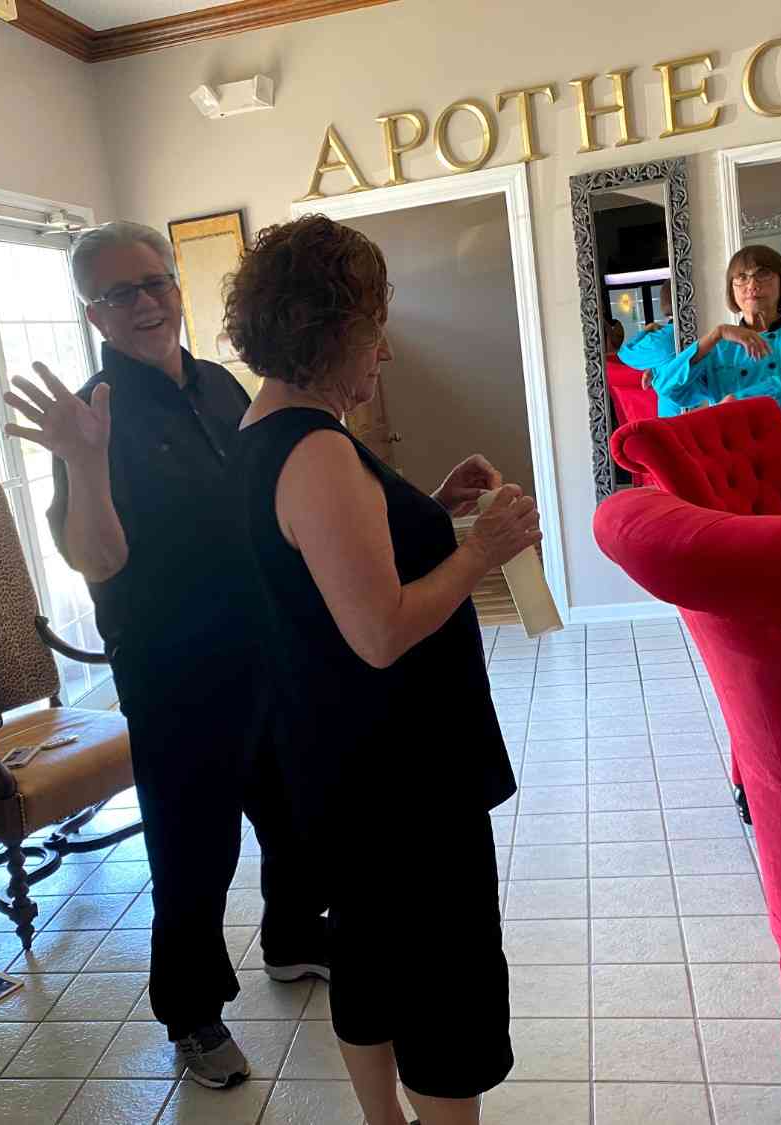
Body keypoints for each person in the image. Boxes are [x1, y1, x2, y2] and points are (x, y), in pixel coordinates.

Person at [226, 214, 539, 1125]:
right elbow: (379, 629)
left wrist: (428, 513)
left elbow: (333, 563)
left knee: (368, 949)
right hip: (399, 776)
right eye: (374, 326)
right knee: (442, 977)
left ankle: (383, 1121)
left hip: (339, 764)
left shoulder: (268, 429)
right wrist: (484, 552)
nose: (385, 352)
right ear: (331, 331)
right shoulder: (317, 449)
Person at [2, 221, 329, 1089]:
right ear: (93, 314)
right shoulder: (91, 413)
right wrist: (85, 457)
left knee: (293, 809)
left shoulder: (222, 383)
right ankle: (191, 1013)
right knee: (196, 851)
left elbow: (277, 492)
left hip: (265, 645)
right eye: (120, 293)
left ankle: (294, 937)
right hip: (176, 673)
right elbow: (97, 560)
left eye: (155, 282)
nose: (145, 302)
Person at [649, 244, 781, 513]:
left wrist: (739, 403)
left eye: (763, 275)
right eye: (742, 278)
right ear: (732, 290)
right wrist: (715, 336)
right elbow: (667, 388)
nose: (752, 285)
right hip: (748, 477)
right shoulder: (719, 348)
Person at [617, 280, 688, 415]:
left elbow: (625, 353)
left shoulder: (661, 340)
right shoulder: (676, 335)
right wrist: (654, 370)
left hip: (673, 416)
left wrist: (647, 329)